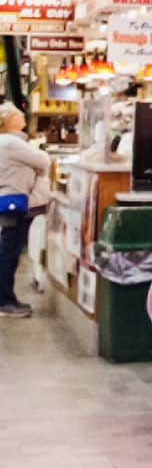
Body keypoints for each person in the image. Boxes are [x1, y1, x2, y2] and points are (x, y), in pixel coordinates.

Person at [0, 102, 52, 318]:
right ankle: (5, 301)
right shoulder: (11, 143)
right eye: (17, 114)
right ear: (8, 119)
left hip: (8, 200)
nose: (22, 116)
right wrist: (37, 165)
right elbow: (43, 160)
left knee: (8, 248)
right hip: (14, 202)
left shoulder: (8, 142)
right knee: (9, 251)